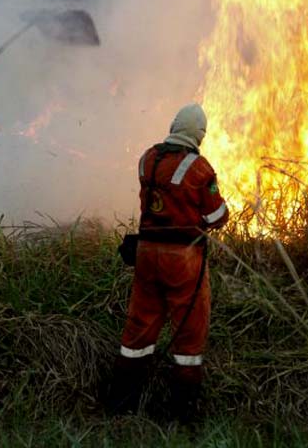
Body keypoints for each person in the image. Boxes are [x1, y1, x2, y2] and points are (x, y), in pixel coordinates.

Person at [109, 102, 229, 420]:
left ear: (174, 125)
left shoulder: (147, 158)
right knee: (190, 329)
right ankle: (183, 410)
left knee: (140, 326)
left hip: (146, 253)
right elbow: (216, 216)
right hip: (183, 259)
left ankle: (122, 403)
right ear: (199, 135)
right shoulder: (200, 169)